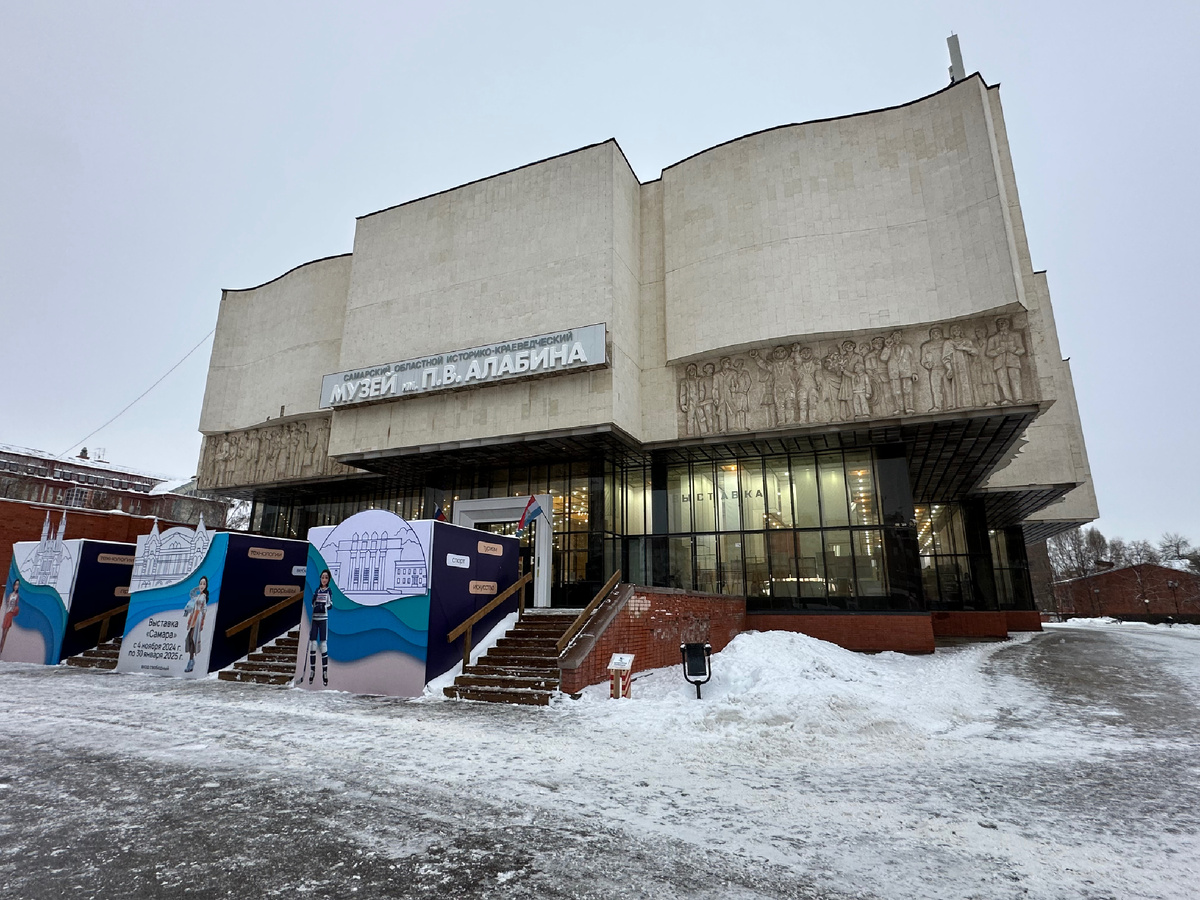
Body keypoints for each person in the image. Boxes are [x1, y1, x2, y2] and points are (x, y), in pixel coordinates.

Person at [307, 569, 333, 686]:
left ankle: (324, 672)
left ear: (328, 580)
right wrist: (314, 603)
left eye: (326, 578)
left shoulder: (328, 591)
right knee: (313, 644)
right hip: (315, 619)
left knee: (323, 644)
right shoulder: (317, 590)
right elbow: (312, 603)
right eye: (322, 577)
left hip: (323, 619)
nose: (324, 579)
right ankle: (312, 670)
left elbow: (330, 604)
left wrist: (323, 606)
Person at [183, 576, 209, 673]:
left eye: (204, 584)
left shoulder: (203, 597)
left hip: (198, 617)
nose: (202, 585)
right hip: (194, 616)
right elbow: (192, 593)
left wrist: (202, 621)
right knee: (190, 637)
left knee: (193, 637)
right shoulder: (197, 596)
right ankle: (191, 659)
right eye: (200, 583)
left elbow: (204, 609)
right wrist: (190, 619)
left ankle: (191, 660)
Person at [0, 580, 19, 654]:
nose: (16, 586)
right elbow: (8, 602)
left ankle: (1, 648)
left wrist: (14, 610)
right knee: (3, 631)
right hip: (7, 613)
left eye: (18, 585)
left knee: (5, 632)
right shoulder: (11, 594)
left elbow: (16, 605)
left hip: (11, 613)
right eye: (16, 584)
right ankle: (1, 646)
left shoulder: (17, 596)